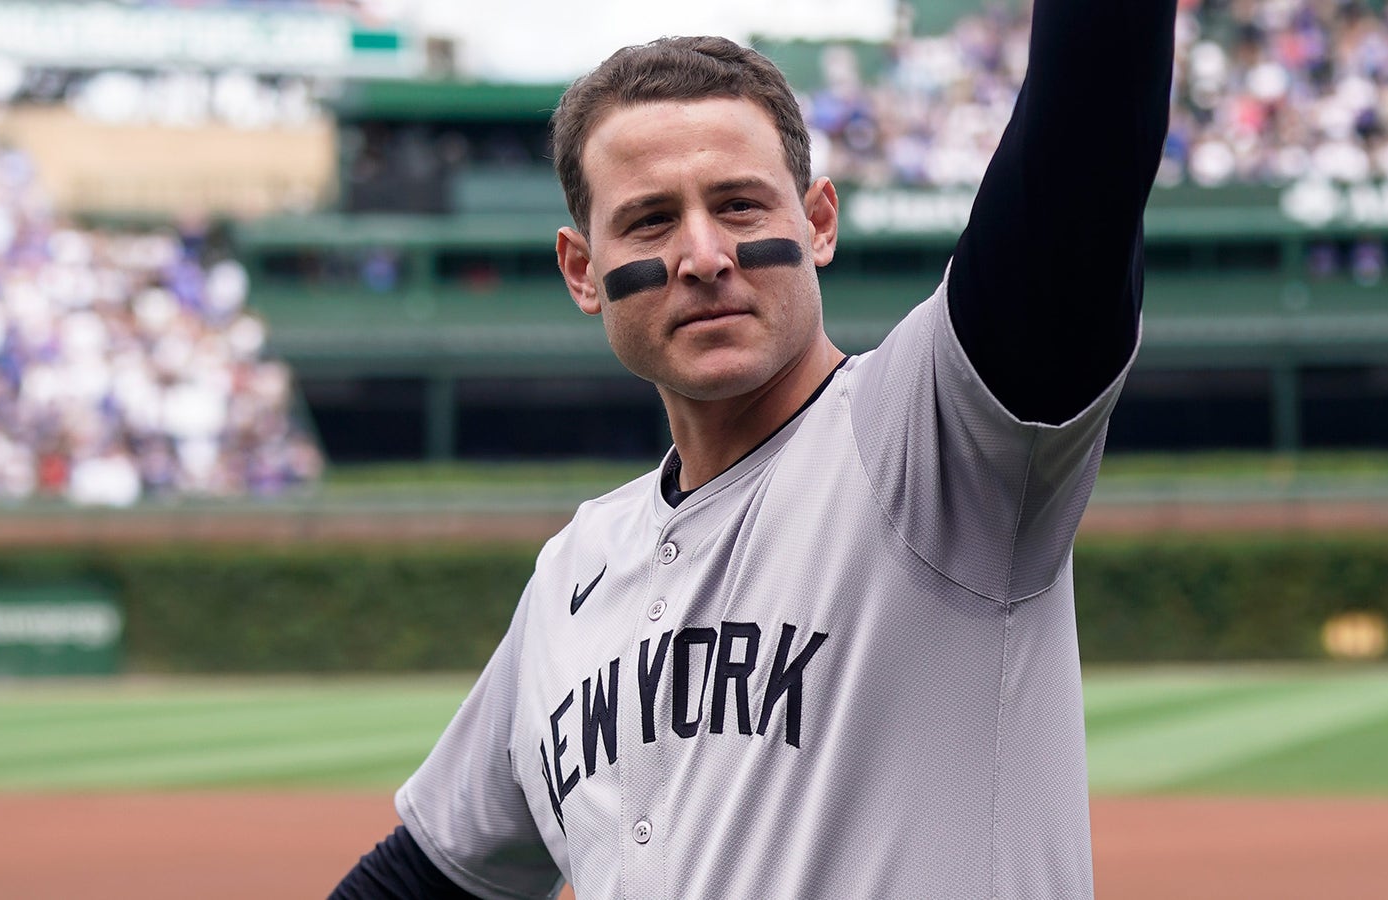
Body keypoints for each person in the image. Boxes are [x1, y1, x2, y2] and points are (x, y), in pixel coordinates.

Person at [333, 1, 1175, 896]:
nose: (703, 254)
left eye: (739, 205)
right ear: (583, 270)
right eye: (651, 220)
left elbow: (1085, 144)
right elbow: (427, 877)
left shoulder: (935, 444)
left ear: (818, 221)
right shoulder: (572, 574)